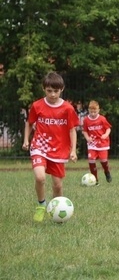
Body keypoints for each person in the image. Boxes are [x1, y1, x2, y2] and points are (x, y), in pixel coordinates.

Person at [22, 72, 79, 222]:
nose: (53, 94)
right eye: (49, 91)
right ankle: (41, 206)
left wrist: (73, 150)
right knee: (40, 177)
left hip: (59, 150)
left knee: (58, 186)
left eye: (56, 91)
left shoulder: (68, 108)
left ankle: (56, 211)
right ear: (44, 89)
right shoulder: (37, 105)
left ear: (62, 89)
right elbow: (29, 123)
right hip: (39, 145)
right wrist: (26, 140)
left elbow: (72, 130)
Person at [82, 100, 112, 184]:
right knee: (91, 160)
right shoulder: (86, 120)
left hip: (102, 143)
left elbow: (108, 128)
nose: (93, 113)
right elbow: (84, 131)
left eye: (95, 111)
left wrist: (105, 135)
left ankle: (107, 171)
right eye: (91, 112)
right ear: (89, 110)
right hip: (92, 144)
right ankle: (95, 179)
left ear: (98, 110)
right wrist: (87, 138)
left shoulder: (102, 119)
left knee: (103, 160)